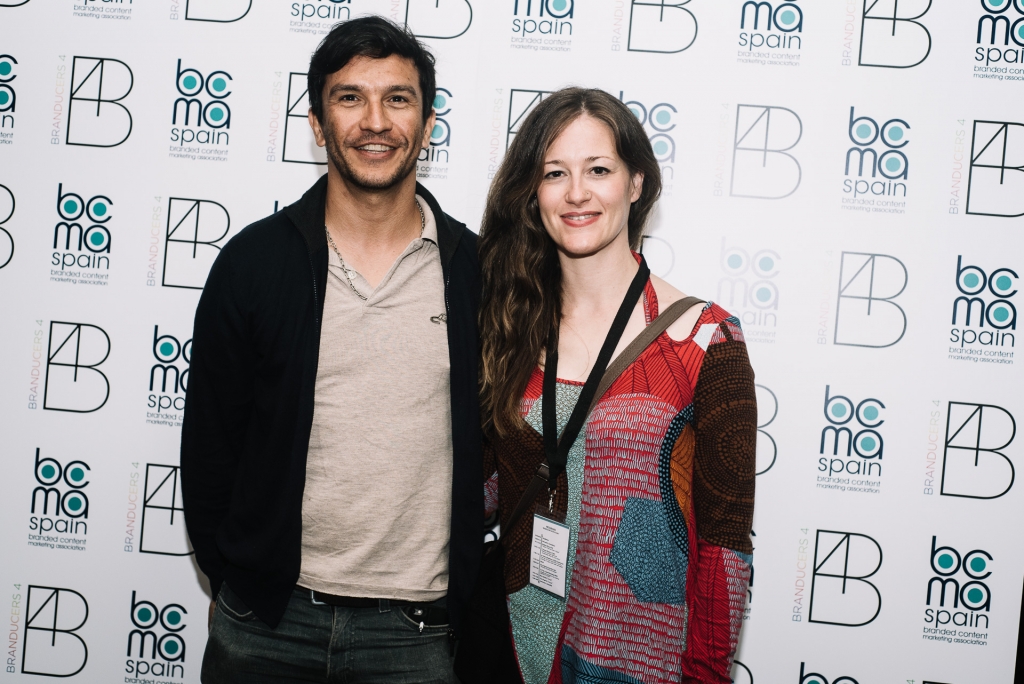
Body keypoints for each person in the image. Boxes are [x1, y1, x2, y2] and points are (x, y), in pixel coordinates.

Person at [180, 16, 482, 683]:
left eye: (397, 98)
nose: (375, 121)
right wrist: (238, 581)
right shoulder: (254, 264)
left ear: (428, 124)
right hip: (266, 625)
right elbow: (209, 449)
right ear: (318, 125)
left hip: (415, 635)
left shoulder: (474, 273)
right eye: (350, 98)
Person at [478, 88, 756, 684]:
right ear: (532, 192)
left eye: (598, 170)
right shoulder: (507, 327)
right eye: (555, 173)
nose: (576, 193)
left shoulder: (704, 341)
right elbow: (478, 493)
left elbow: (724, 550)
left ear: (636, 184)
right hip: (505, 647)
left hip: (635, 663)